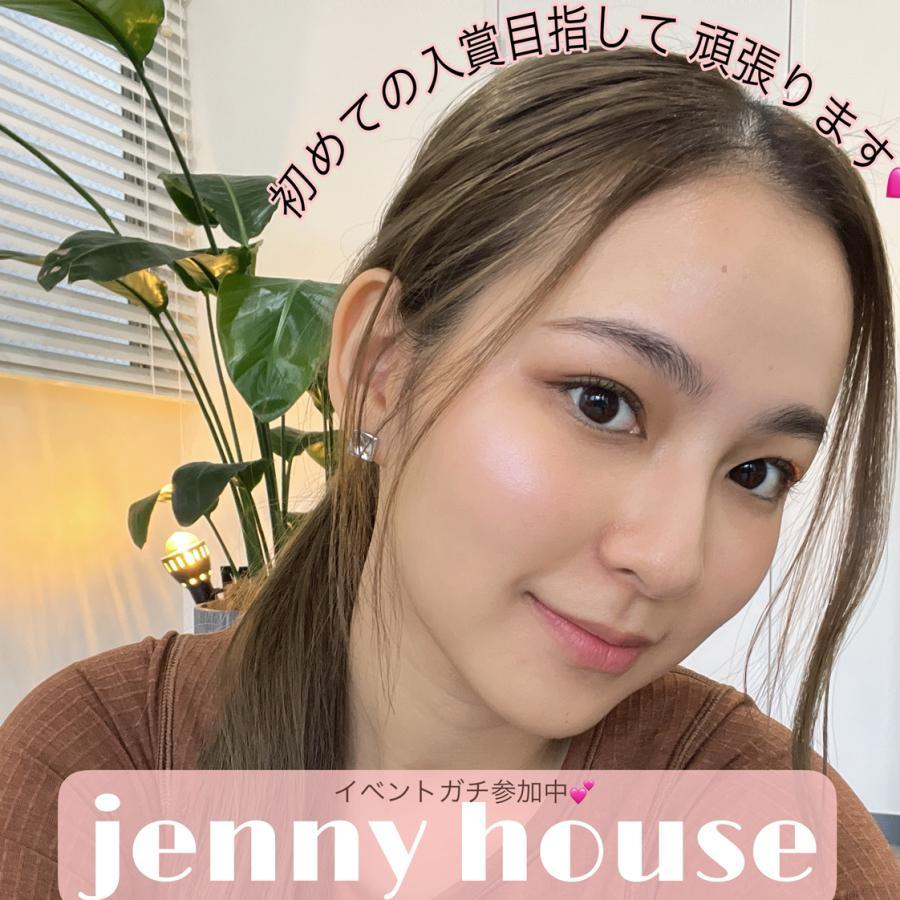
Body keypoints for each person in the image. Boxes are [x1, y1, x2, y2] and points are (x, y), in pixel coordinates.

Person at [1, 44, 898, 897]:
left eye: (757, 472)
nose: (670, 560)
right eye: (601, 402)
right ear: (380, 369)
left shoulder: (768, 831)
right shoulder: (104, 766)